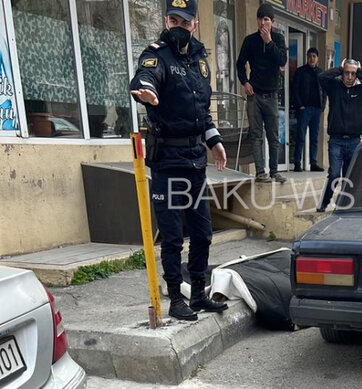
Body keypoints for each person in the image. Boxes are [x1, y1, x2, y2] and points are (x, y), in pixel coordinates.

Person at [130, 0, 228, 322]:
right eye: (173, 20)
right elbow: (144, 78)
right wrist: (145, 91)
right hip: (168, 161)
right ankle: (175, 298)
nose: (178, 27)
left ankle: (197, 292)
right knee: (172, 237)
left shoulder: (201, 57)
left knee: (202, 232)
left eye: (184, 23)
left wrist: (214, 142)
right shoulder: (157, 55)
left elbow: (203, 108)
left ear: (194, 24)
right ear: (166, 20)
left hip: (195, 160)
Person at [316, 58, 362, 212]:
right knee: (334, 174)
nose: (350, 77)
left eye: (353, 74)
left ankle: (344, 206)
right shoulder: (334, 87)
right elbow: (321, 77)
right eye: (347, 73)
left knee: (349, 177)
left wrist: (359, 70)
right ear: (342, 73)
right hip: (336, 141)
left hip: (354, 142)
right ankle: (324, 204)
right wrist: (340, 67)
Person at [236, 3, 287, 183]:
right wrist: (245, 82)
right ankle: (260, 172)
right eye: (260, 19)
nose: (262, 22)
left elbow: (282, 60)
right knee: (256, 135)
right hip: (254, 95)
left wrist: (269, 42)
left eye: (266, 19)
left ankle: (274, 171)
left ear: (272, 22)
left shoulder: (278, 39)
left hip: (272, 95)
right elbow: (239, 64)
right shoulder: (250, 41)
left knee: (273, 135)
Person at [292, 47, 326, 172]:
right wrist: (300, 105)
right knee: (300, 136)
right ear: (307, 58)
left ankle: (313, 163)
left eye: (314, 56)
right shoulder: (301, 72)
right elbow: (295, 90)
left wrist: (322, 106)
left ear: (317, 58)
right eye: (310, 56)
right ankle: (297, 163)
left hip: (316, 109)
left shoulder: (321, 73)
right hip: (304, 109)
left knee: (314, 137)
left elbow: (324, 91)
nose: (311, 59)